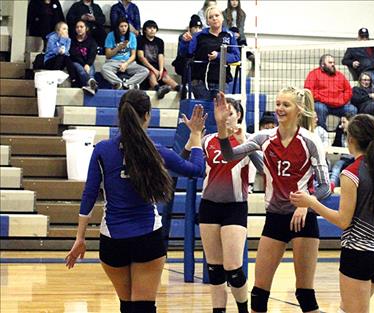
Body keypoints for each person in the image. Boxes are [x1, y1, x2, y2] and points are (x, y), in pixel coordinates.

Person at [65, 89, 206, 313]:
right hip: (147, 238)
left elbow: (89, 195)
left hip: (113, 240)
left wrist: (80, 238)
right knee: (143, 308)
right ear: (147, 115)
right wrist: (196, 136)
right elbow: (196, 170)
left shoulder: (102, 150)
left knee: (128, 307)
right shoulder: (155, 152)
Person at [214, 87, 331, 313]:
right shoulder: (263, 138)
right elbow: (229, 156)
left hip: (303, 221)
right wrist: (221, 127)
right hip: (275, 218)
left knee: (305, 295)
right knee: (258, 294)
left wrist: (307, 203)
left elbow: (325, 186)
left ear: (299, 110)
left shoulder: (310, 141)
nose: (279, 108)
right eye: (277, 103)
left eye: (285, 105)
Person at [290, 114, 374, 313]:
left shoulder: (351, 173)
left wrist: (311, 202)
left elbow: (343, 221)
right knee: (345, 309)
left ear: (351, 139)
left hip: (358, 254)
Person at [182, 98, 261, 313]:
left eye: (230, 113)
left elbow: (261, 168)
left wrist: (241, 138)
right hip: (209, 206)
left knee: (233, 269)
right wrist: (193, 135)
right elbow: (183, 161)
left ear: (239, 117)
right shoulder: (208, 140)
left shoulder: (248, 141)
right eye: (222, 112)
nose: (226, 117)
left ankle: (243, 309)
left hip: (235, 207)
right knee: (215, 269)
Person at [183, 5, 240, 100]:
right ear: (207, 22)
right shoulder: (199, 35)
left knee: (219, 111)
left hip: (221, 80)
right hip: (200, 81)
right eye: (210, 17)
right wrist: (185, 42)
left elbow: (236, 56)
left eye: (217, 15)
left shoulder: (229, 35)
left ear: (222, 18)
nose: (214, 18)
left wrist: (218, 56)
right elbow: (187, 53)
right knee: (203, 111)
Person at [304, 54, 356, 130]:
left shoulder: (340, 75)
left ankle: (341, 130)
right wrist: (324, 99)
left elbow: (348, 91)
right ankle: (323, 132)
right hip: (323, 104)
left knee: (352, 109)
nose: (333, 64)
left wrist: (341, 100)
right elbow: (309, 91)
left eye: (333, 62)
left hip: (339, 105)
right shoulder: (314, 74)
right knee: (319, 107)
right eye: (330, 62)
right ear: (322, 64)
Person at [137, 20, 181, 99]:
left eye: (154, 28)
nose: (152, 30)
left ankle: (180, 89)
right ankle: (158, 89)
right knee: (152, 75)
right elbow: (141, 57)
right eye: (149, 28)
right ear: (144, 30)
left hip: (157, 65)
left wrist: (160, 70)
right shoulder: (140, 39)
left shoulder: (159, 41)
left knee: (165, 76)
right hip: (145, 66)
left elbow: (161, 56)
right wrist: (154, 69)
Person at [102, 17, 149, 90]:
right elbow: (108, 55)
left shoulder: (132, 36)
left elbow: (133, 55)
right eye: (121, 26)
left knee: (145, 71)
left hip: (128, 62)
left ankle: (127, 85)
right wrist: (118, 48)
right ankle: (118, 83)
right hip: (113, 62)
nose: (124, 28)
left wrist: (126, 64)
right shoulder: (110, 35)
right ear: (118, 27)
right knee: (104, 69)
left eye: (125, 26)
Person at [172, 15, 204, 99]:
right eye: (195, 27)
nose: (197, 30)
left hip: (195, 64)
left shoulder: (203, 37)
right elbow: (183, 53)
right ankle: (185, 87)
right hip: (183, 63)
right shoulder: (184, 37)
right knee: (187, 62)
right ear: (190, 28)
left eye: (199, 27)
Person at [70, 19, 98, 95]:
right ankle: (92, 85)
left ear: (86, 28)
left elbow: (92, 54)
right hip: (77, 62)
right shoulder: (72, 40)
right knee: (82, 71)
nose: (79, 29)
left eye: (81, 27)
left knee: (91, 72)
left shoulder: (91, 41)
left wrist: (88, 64)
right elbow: (74, 55)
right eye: (77, 27)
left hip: (88, 62)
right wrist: (84, 64)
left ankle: (91, 86)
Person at [329, 114, 354, 189]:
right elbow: (335, 151)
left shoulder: (356, 135)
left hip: (355, 158)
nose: (341, 125)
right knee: (337, 166)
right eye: (340, 123)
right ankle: (332, 185)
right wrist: (338, 134)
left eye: (344, 122)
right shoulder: (341, 133)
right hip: (344, 159)